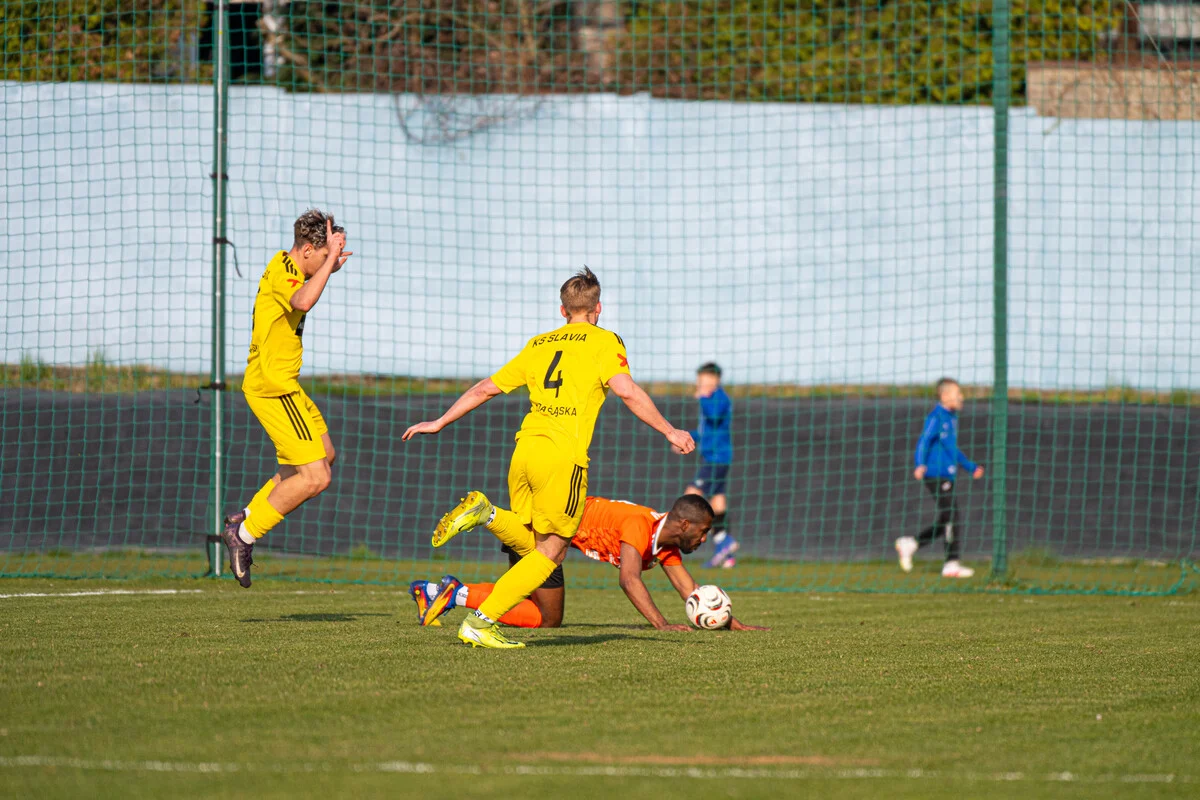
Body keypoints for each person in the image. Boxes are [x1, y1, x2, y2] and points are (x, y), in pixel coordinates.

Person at [402, 267, 695, 648]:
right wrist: (670, 430)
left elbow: (485, 388)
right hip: (562, 457)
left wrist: (440, 421)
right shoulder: (605, 342)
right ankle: (481, 621)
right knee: (553, 552)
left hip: (524, 450)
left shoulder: (539, 343)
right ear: (598, 308)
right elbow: (627, 391)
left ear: (562, 311)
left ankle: (487, 514)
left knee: (530, 543)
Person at [219, 211, 351, 588]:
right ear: (308, 250)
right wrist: (328, 265)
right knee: (317, 476)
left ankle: (244, 516)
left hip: (283, 384)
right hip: (273, 387)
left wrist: (330, 264)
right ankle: (244, 534)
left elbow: (307, 284)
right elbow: (304, 300)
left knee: (325, 455)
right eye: (321, 256)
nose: (323, 265)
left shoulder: (289, 264)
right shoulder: (284, 273)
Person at [410, 494, 767, 631]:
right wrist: (662, 625)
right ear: (685, 525)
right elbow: (628, 580)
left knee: (542, 613)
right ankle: (488, 516)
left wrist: (735, 624)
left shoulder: (663, 542)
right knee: (546, 619)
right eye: (703, 532)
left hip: (555, 527)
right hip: (553, 529)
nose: (704, 540)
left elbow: (690, 591)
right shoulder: (639, 526)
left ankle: (440, 592)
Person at [895, 377, 984, 578]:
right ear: (944, 396)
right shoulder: (936, 417)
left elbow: (952, 448)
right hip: (934, 475)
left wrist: (970, 467)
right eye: (957, 393)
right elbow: (924, 441)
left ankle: (911, 544)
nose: (961, 397)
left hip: (946, 475)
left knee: (947, 518)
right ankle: (951, 564)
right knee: (952, 515)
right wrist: (920, 464)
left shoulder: (951, 418)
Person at [684, 362, 736, 568]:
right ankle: (725, 547)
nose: (700, 383)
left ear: (715, 380)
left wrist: (704, 397)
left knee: (691, 495)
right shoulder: (711, 399)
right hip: (714, 458)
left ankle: (670, 545)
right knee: (717, 503)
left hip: (717, 459)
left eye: (704, 379)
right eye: (699, 379)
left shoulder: (719, 398)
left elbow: (714, 416)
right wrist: (688, 437)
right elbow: (706, 431)